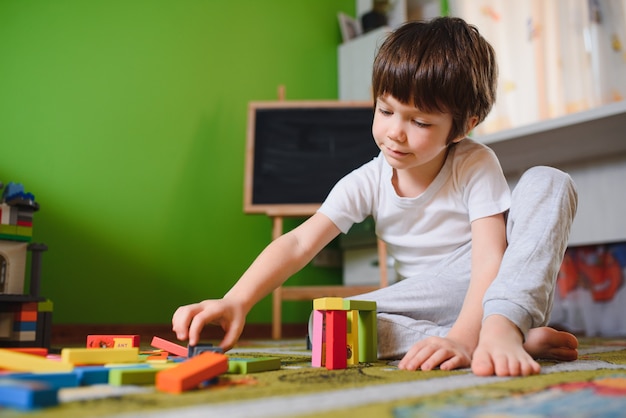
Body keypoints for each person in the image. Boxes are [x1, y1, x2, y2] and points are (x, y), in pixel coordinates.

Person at [172, 16, 579, 377]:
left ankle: (500, 329)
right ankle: (496, 341)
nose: (395, 133)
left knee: (548, 180)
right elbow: (298, 242)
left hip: (496, 287)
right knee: (328, 325)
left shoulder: (473, 163)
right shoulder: (366, 181)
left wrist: (483, 323)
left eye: (419, 121)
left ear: (463, 126)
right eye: (385, 112)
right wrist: (237, 300)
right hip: (423, 302)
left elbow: (490, 258)